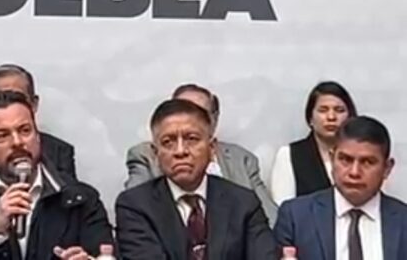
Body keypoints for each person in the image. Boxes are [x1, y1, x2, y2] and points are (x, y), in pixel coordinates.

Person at [0, 90, 113, 260]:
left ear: (38, 137)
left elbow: (106, 254)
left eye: (25, 130)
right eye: (2, 135)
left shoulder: (80, 199)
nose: (17, 142)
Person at [116, 98, 279, 260]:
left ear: (212, 148)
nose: (180, 151)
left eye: (192, 139)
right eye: (168, 142)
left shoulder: (243, 202)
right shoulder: (135, 205)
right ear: (155, 152)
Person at [125, 83, 277, 223]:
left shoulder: (242, 159)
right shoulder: (145, 156)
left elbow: (270, 219)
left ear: (214, 120)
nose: (188, 120)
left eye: (199, 113)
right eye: (179, 110)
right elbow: (134, 212)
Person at [274, 116, 407, 259]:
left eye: (367, 162)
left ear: (387, 168)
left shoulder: (403, 220)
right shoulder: (295, 217)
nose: (354, 172)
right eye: (345, 160)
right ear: (332, 159)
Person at [270, 81, 358, 205]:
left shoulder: (362, 155)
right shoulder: (290, 155)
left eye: (339, 110)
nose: (331, 117)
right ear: (310, 118)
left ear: (350, 117)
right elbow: (283, 208)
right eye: (323, 110)